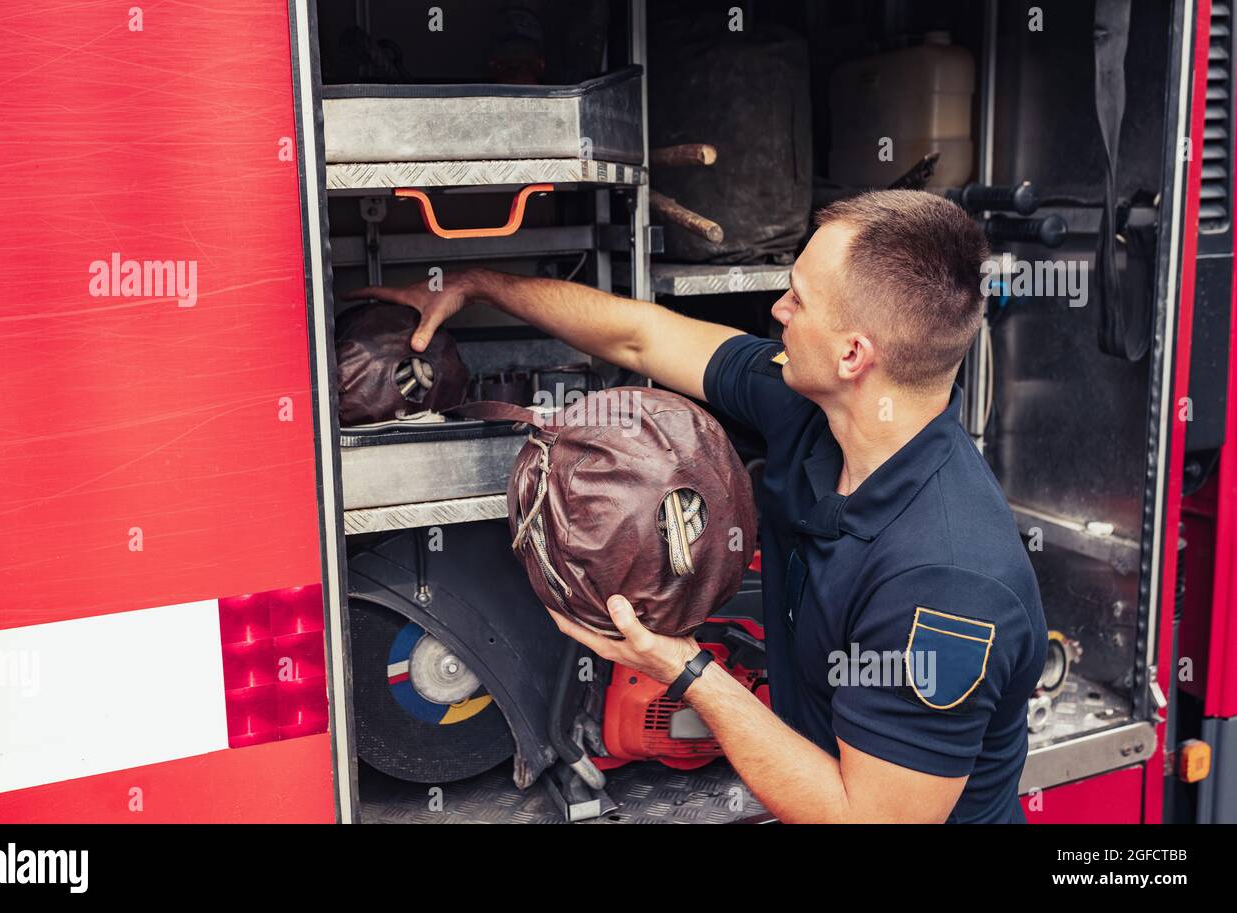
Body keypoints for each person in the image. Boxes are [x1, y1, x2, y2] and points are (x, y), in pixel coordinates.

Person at [348, 189, 1047, 823]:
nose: (778, 309)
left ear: (853, 355)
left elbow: (864, 817)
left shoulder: (948, 583)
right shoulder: (809, 409)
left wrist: (685, 670)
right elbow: (643, 337)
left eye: (798, 299)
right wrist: (477, 287)